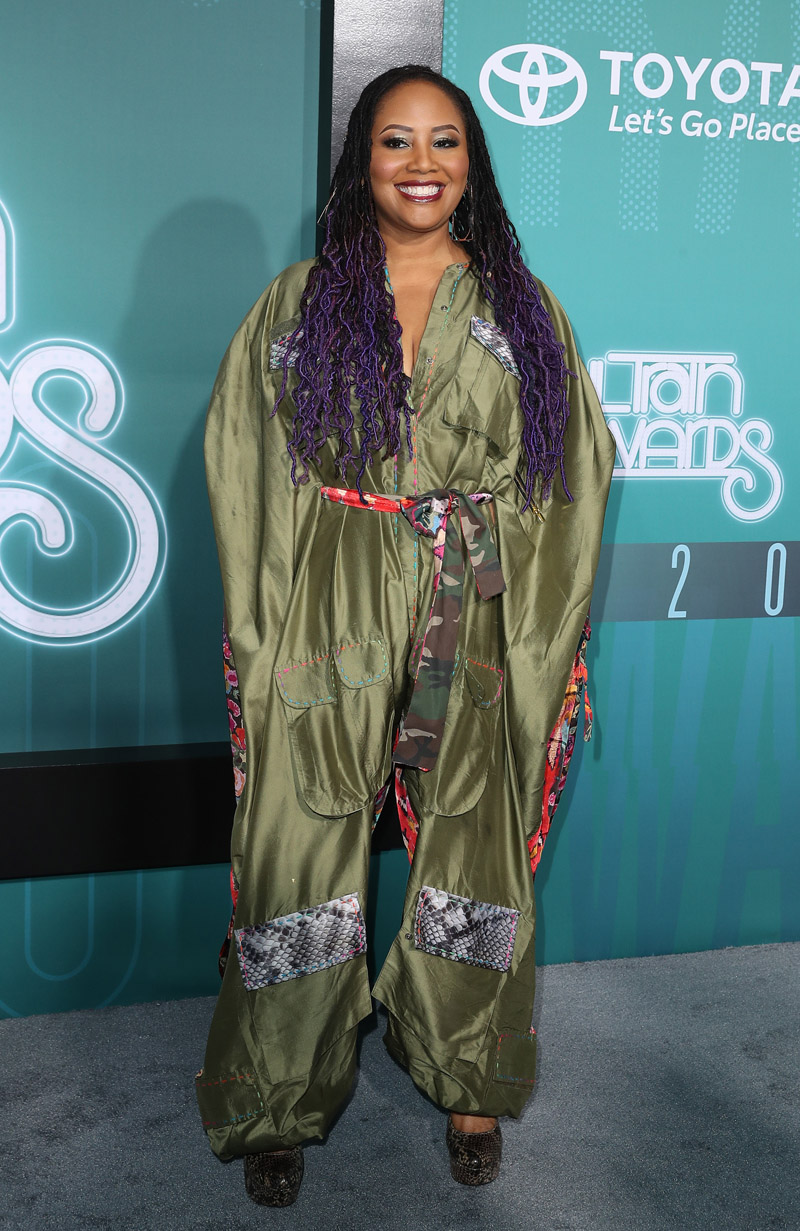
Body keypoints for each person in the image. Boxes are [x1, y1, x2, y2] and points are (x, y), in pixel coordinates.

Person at [196, 64, 615, 1207]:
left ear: (471, 164)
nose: (420, 163)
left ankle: (465, 1072)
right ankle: (280, 1088)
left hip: (471, 597)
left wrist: (536, 641)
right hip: (330, 594)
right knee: (297, 846)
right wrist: (263, 631)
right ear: (361, 162)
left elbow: (566, 480)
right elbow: (248, 467)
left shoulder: (522, 310)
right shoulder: (296, 304)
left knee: (473, 844)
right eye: (395, 141)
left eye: (443, 141)